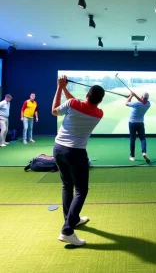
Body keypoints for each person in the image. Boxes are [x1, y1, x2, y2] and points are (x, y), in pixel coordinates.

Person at [51, 75, 105, 246]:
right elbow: (77, 104)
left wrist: (60, 87)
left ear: (87, 95)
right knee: (81, 190)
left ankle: (71, 220)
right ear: (100, 101)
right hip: (76, 153)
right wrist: (65, 89)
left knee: (67, 186)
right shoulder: (99, 113)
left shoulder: (74, 105)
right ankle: (67, 230)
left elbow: (55, 110)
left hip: (58, 149)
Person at [126, 91, 151, 163]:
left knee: (132, 139)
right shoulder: (148, 104)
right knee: (142, 138)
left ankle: (132, 156)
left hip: (132, 123)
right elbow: (142, 101)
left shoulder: (136, 104)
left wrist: (131, 96)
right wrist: (135, 95)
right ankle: (144, 152)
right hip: (140, 123)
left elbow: (126, 103)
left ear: (142, 97)